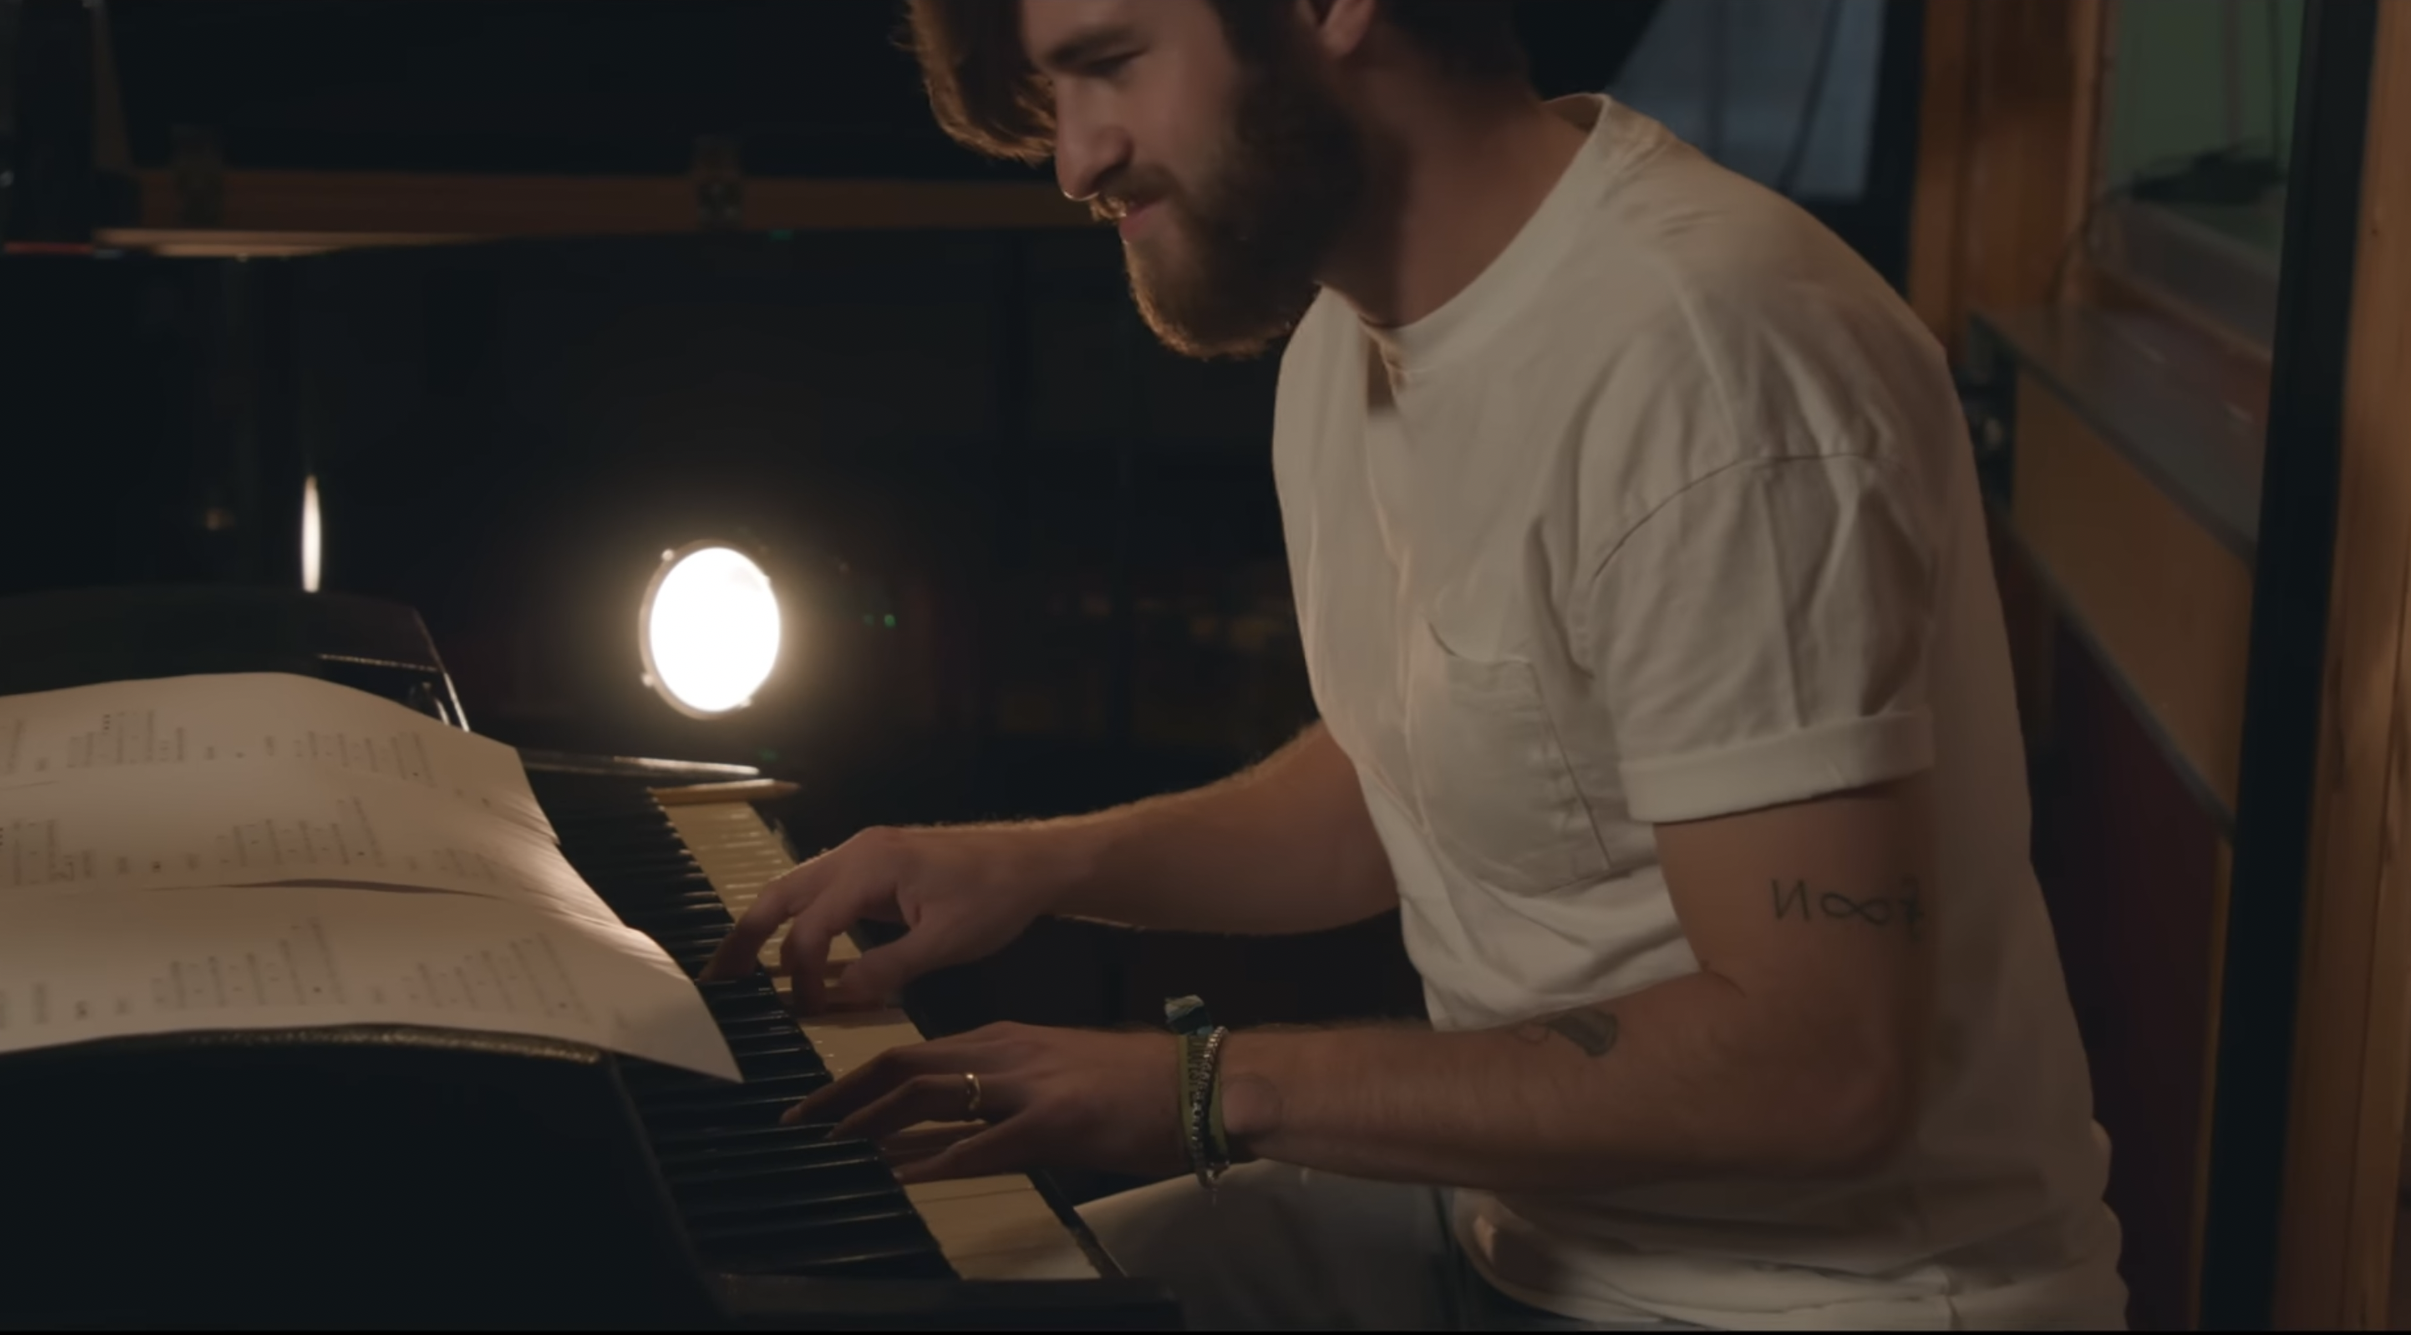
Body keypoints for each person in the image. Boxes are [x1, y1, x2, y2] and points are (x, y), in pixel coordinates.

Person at [703, 0, 2126, 1327]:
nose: (1075, 160)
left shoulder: (1708, 360)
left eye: (1112, 63)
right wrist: (1033, 867)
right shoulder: (1349, 336)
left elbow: (1824, 1067)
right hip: (1527, 1233)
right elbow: (1430, 764)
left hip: (1808, 1296)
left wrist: (1209, 1084)